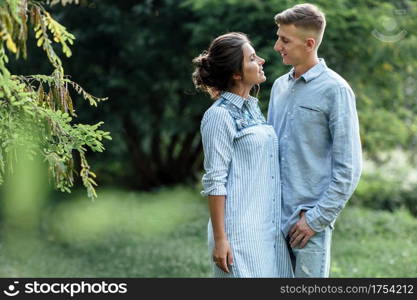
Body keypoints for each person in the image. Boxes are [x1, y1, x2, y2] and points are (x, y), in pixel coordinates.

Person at [268, 3, 362, 277]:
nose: (277, 46)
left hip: (308, 225)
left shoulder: (336, 90)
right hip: (271, 221)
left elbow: (349, 168)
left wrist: (315, 219)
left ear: (309, 43)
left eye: (284, 40)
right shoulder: (279, 87)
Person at [192, 32, 293, 278]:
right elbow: (215, 180)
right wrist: (220, 240)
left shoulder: (254, 110)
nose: (261, 61)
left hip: (269, 231)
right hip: (240, 236)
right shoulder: (219, 116)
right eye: (252, 58)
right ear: (236, 73)